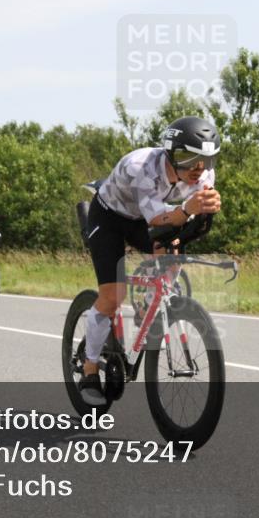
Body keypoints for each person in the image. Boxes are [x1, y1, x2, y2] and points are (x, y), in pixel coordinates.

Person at [79, 116, 222, 406]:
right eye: (187, 157)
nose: (198, 168)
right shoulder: (141, 166)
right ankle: (90, 368)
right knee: (112, 295)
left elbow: (181, 227)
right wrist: (187, 208)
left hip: (143, 219)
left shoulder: (205, 175)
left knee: (173, 251)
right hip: (109, 217)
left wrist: (205, 211)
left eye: (206, 159)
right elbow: (158, 220)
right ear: (169, 152)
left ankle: (149, 305)